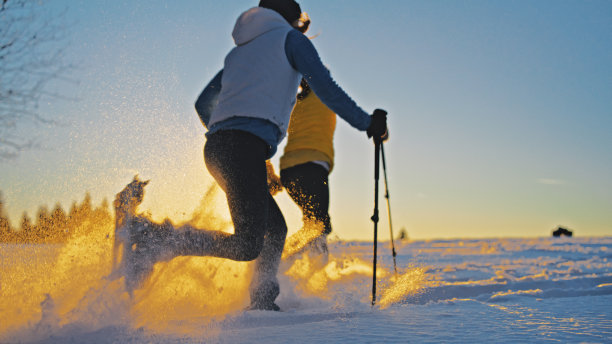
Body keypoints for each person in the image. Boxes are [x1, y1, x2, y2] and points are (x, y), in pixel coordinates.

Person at [130, 0, 388, 311]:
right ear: (292, 20)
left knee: (275, 229)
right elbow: (326, 88)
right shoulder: (290, 40)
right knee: (247, 244)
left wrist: (232, 131)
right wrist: (368, 123)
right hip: (240, 148)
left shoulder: (240, 52)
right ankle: (158, 240)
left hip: (220, 149)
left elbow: (203, 103)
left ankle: (262, 298)